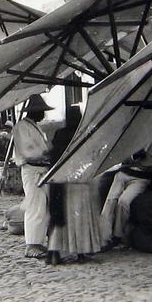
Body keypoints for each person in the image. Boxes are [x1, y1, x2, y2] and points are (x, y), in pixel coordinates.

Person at [47, 106, 103, 265]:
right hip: (79, 183)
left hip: (60, 183)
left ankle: (54, 252)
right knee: (79, 219)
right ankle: (80, 251)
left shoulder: (59, 134)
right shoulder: (82, 135)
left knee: (59, 218)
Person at [99, 133, 152, 249]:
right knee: (110, 202)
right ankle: (104, 238)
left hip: (141, 177)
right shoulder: (137, 131)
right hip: (125, 173)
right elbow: (123, 157)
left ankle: (118, 236)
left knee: (124, 202)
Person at [12, 94, 54, 258]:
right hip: (32, 169)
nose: (43, 115)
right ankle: (31, 245)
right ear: (34, 112)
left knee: (43, 206)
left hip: (42, 169)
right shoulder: (22, 127)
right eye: (41, 111)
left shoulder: (36, 127)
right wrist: (47, 153)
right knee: (35, 206)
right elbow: (28, 150)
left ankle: (39, 241)